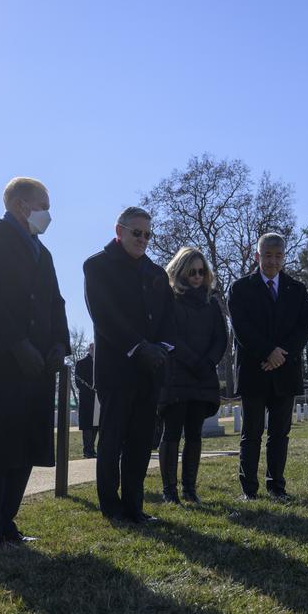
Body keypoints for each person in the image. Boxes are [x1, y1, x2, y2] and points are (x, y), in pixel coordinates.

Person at [0, 177, 68, 549]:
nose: (48, 213)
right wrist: (16, 344)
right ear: (21, 205)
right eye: (44, 204)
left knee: (24, 446)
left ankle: (7, 523)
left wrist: (59, 344)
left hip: (37, 367)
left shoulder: (44, 252)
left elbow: (55, 301)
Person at [83, 206, 174, 524]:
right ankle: (111, 506)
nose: (144, 239)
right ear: (118, 231)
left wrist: (161, 348)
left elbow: (168, 317)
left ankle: (134, 507)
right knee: (112, 438)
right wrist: (139, 347)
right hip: (116, 369)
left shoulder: (156, 273)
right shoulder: (97, 266)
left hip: (150, 370)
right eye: (137, 233)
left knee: (139, 440)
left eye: (149, 234)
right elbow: (105, 316)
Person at [227, 233, 308, 501]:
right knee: (251, 433)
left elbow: (304, 326)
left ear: (284, 257)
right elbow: (242, 327)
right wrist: (267, 352)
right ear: (257, 256)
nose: (273, 260)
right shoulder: (240, 288)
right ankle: (249, 490)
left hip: (285, 371)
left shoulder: (297, 290)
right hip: (255, 370)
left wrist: (281, 354)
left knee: (280, 434)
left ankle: (277, 486)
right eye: (267, 255)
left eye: (278, 255)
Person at [157, 247, 226, 504]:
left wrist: (208, 361)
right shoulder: (170, 299)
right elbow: (168, 335)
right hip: (176, 374)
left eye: (201, 271)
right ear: (181, 272)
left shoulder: (212, 301)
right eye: (192, 272)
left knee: (194, 434)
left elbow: (221, 337)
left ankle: (189, 488)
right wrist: (192, 360)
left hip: (203, 376)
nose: (197, 276)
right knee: (172, 432)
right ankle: (169, 490)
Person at [73, 343, 97, 458]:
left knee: (95, 424)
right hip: (87, 399)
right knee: (87, 425)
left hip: (97, 399)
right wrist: (90, 390)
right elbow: (78, 382)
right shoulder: (81, 363)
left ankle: (92, 449)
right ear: (91, 349)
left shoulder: (100, 363)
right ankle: (87, 450)